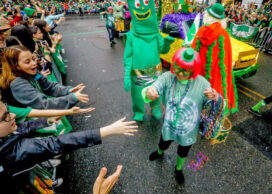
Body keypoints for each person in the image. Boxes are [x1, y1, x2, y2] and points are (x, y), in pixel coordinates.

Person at [0, 100, 138, 187]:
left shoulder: (4, 137)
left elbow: (23, 128)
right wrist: (107, 130)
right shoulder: (8, 153)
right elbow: (57, 143)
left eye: (8, 110)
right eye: (5, 116)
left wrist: (47, 121)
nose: (12, 115)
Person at [144, 48, 222, 184]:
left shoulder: (203, 84)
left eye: (185, 70)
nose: (179, 74)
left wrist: (215, 96)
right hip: (169, 125)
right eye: (178, 68)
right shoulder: (168, 77)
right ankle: (160, 152)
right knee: (163, 141)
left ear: (194, 70)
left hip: (189, 130)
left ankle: (179, 168)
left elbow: (213, 106)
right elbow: (156, 85)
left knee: (183, 150)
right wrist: (151, 90)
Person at [124, 0, 174, 121]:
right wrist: (126, 75)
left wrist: (166, 43)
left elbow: (162, 50)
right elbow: (128, 57)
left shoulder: (156, 35)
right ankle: (138, 111)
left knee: (156, 93)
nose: (142, 9)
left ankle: (156, 109)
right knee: (137, 96)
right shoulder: (131, 36)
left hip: (155, 72)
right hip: (137, 74)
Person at [0, 46, 89, 109]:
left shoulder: (33, 73)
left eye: (32, 59)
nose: (34, 63)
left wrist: (69, 90)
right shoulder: (18, 84)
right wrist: (73, 98)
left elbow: (50, 87)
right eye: (27, 62)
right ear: (15, 66)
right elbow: (43, 104)